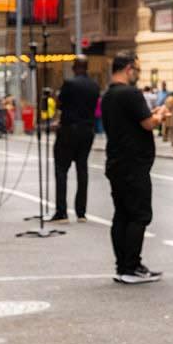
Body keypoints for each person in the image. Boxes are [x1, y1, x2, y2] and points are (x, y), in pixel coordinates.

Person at [102, 51, 164, 285]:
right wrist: (160, 116)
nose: (137, 74)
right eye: (136, 70)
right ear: (129, 68)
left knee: (122, 215)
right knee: (139, 214)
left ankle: (123, 266)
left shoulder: (108, 95)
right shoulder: (131, 93)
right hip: (134, 163)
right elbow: (147, 123)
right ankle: (131, 266)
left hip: (116, 161)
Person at [53, 57, 100, 223]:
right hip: (87, 130)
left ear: (74, 67)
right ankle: (81, 212)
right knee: (82, 169)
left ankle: (62, 212)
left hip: (69, 129)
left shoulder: (69, 84)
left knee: (61, 169)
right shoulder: (94, 86)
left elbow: (60, 104)